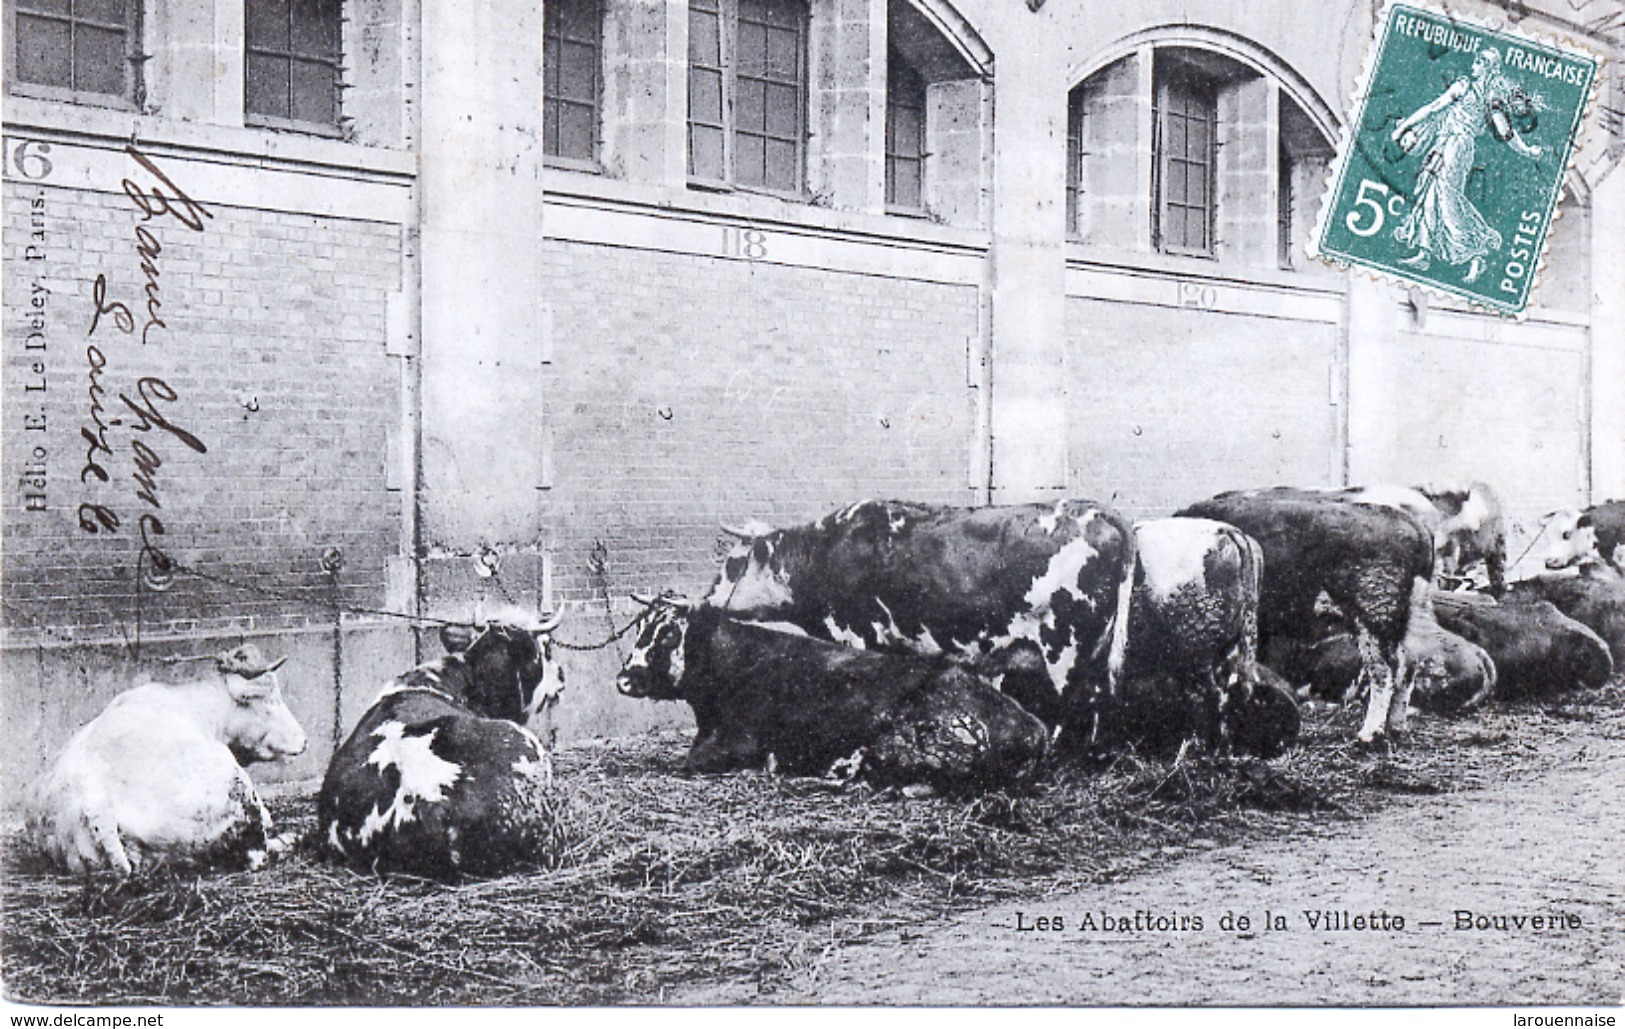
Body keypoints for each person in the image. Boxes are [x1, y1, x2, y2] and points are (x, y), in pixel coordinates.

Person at [1390, 48, 1543, 283]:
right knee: (1429, 194)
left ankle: (1476, 252)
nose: (1474, 64)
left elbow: (1506, 133)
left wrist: (1527, 151)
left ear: (1488, 68)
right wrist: (1403, 128)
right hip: (1442, 143)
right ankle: (1424, 252)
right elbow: (1433, 108)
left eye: (1480, 62)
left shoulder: (1490, 101)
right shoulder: (1464, 87)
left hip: (1458, 148)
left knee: (1448, 199)